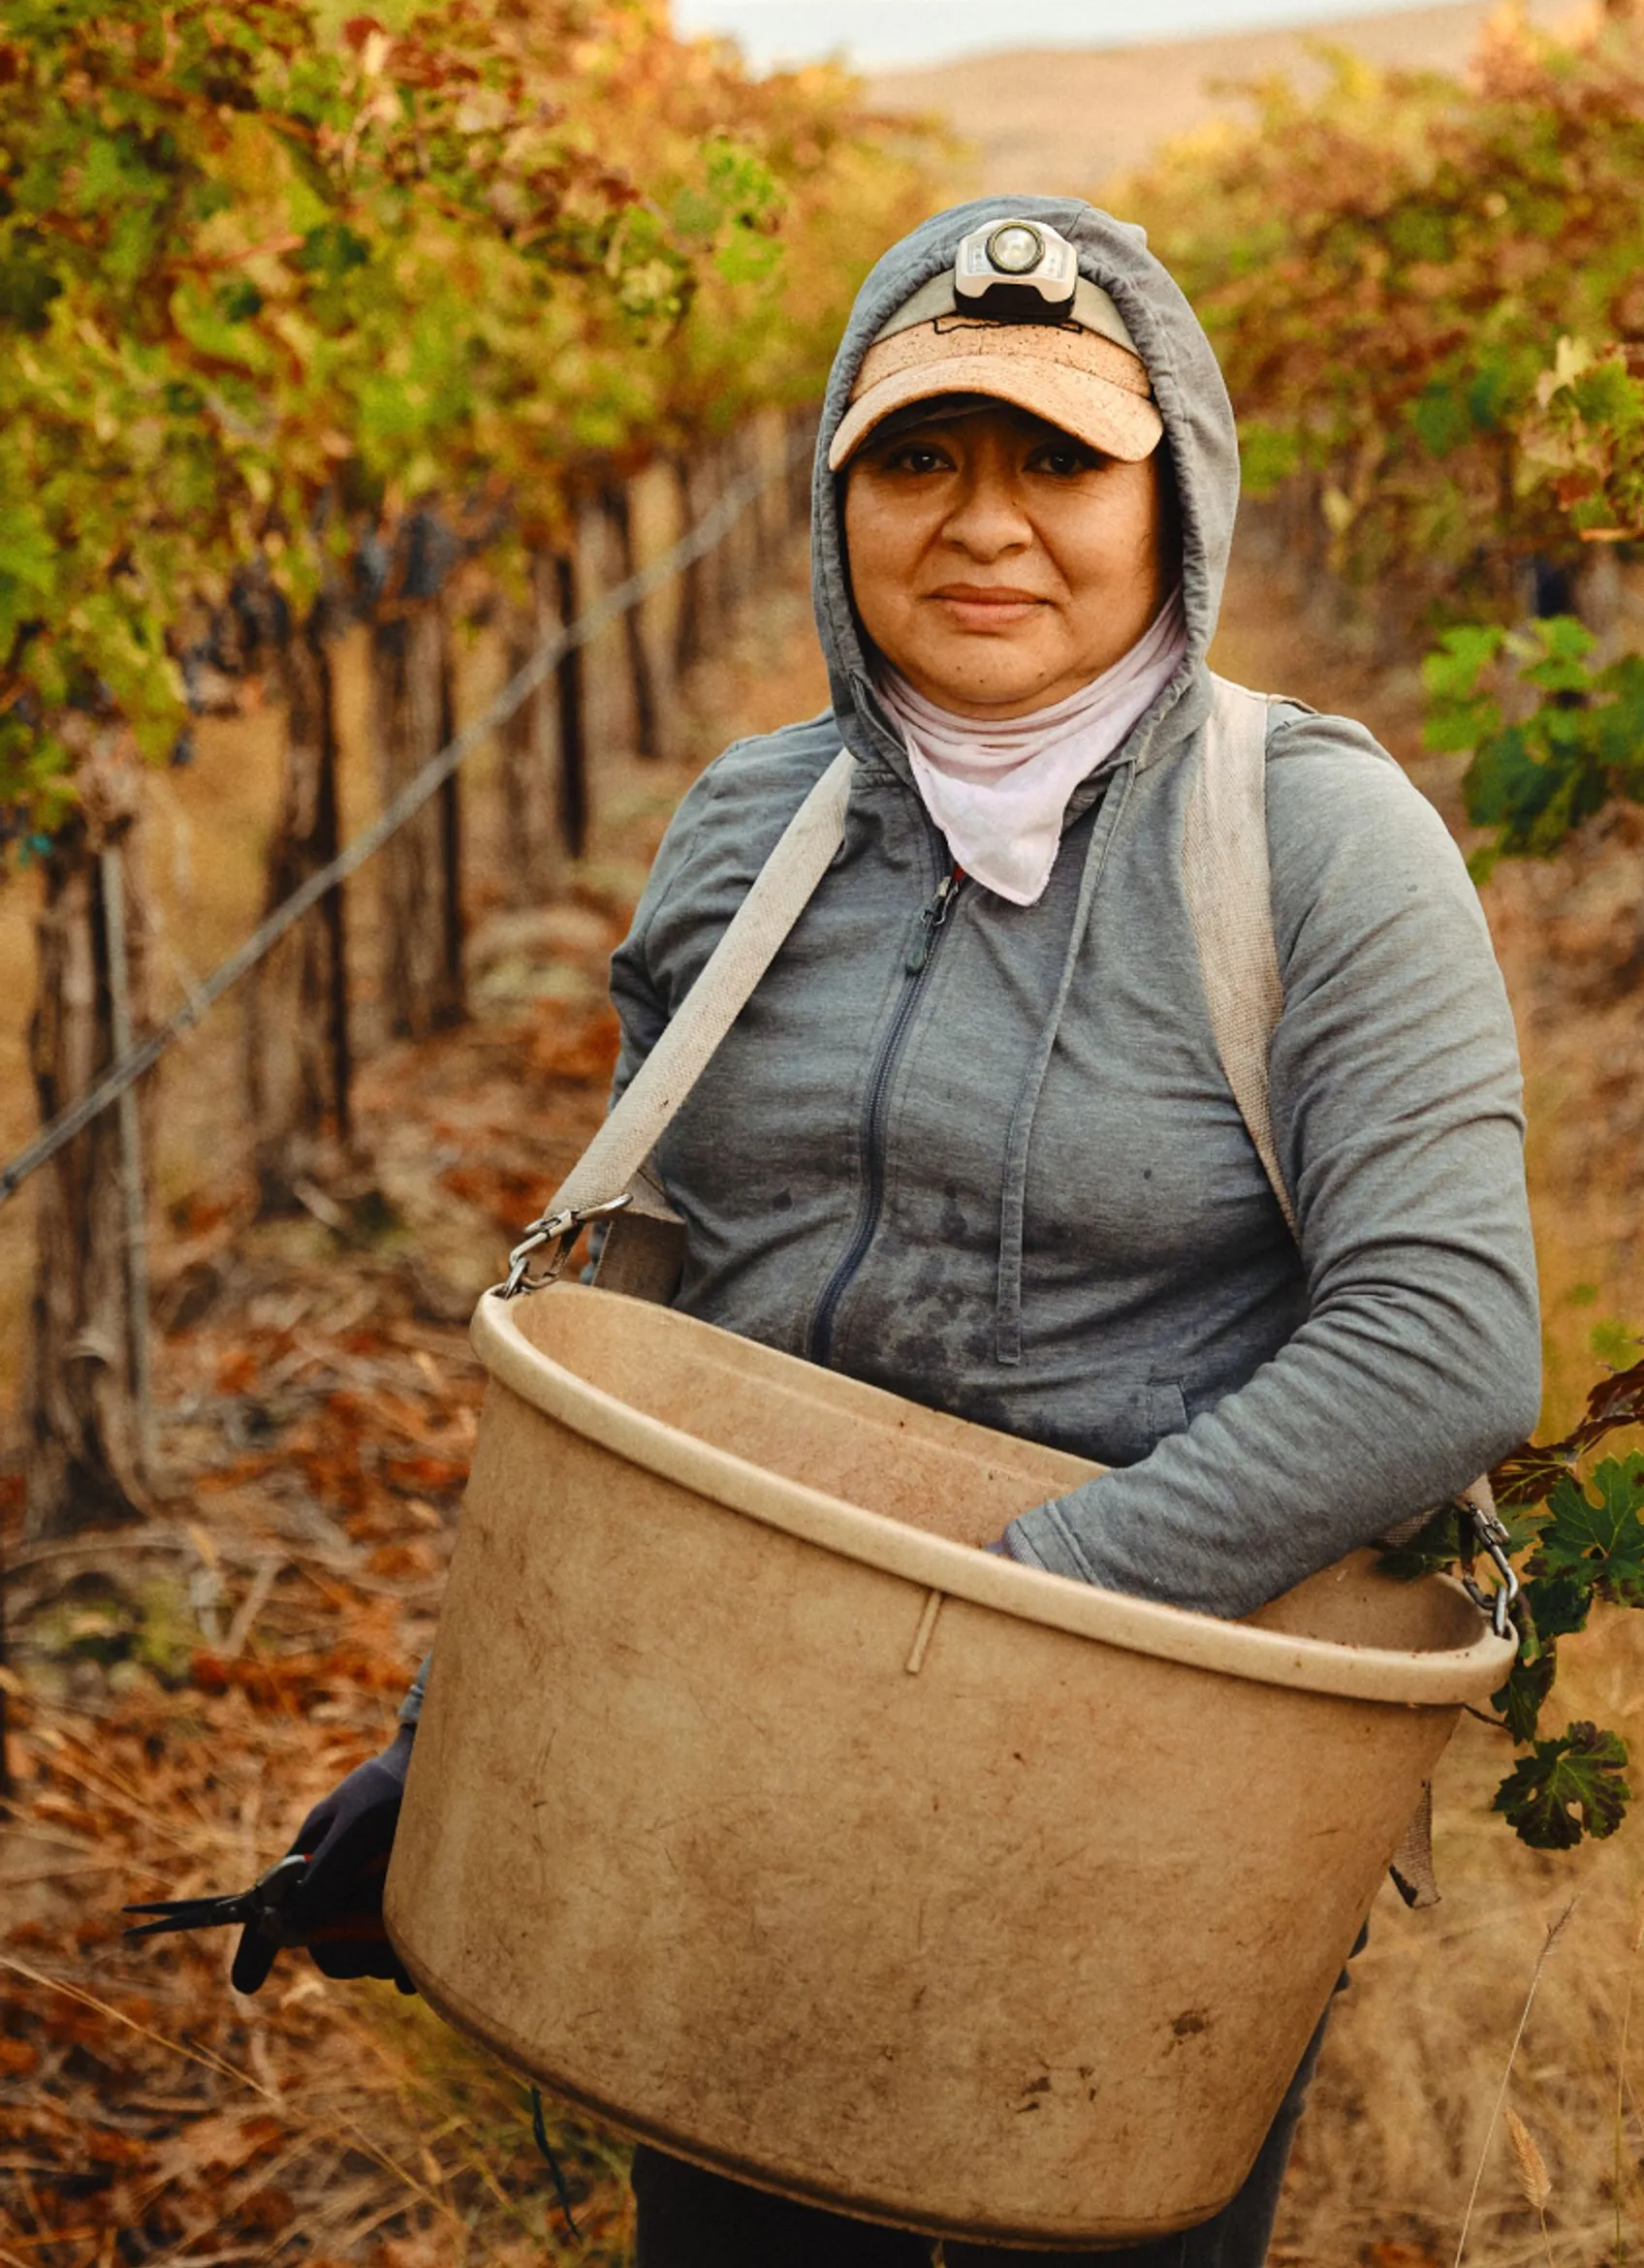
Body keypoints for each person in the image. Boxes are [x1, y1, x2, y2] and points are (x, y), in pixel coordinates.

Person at [241, 198, 1542, 2266]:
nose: (983, 523)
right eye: (917, 457)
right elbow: (634, 1301)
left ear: (1173, 485)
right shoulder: (755, 826)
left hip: (1151, 1753)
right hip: (751, 1737)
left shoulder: (1313, 840)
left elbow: (1442, 1342)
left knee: (1092, 2214)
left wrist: (997, 1630)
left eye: (1057, 458)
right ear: (837, 490)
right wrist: (464, 1722)